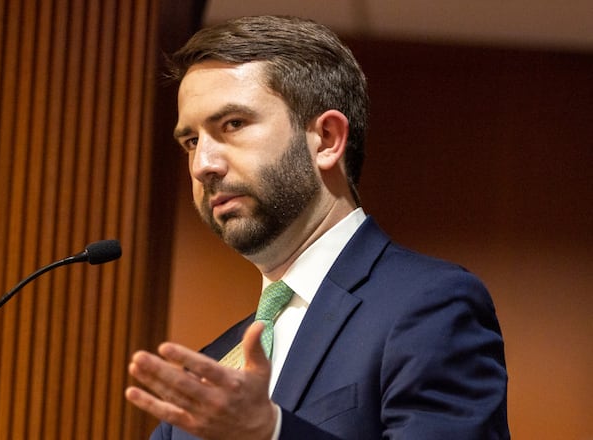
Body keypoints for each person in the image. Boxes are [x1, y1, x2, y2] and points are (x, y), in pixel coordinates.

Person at [125, 15, 509, 440]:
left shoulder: (430, 307)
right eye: (192, 141)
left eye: (232, 124)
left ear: (326, 139)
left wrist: (270, 432)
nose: (203, 166)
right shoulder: (208, 381)